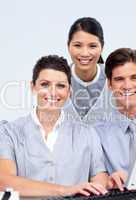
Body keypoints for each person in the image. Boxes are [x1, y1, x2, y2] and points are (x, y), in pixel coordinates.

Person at [0, 55, 108, 197]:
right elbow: (4, 181)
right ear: (33, 87)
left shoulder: (87, 134)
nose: (52, 92)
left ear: (69, 91)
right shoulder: (9, 132)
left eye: (61, 86)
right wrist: (65, 191)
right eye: (45, 84)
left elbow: (99, 181)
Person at [94, 48, 136, 191]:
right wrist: (107, 181)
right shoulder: (96, 134)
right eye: (119, 79)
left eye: (134, 77)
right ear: (110, 84)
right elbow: (95, 177)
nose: (127, 85)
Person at [66, 17, 113, 124]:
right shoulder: (58, 78)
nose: (85, 53)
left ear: (102, 47)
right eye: (78, 45)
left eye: (92, 46)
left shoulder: (114, 77)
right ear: (68, 46)